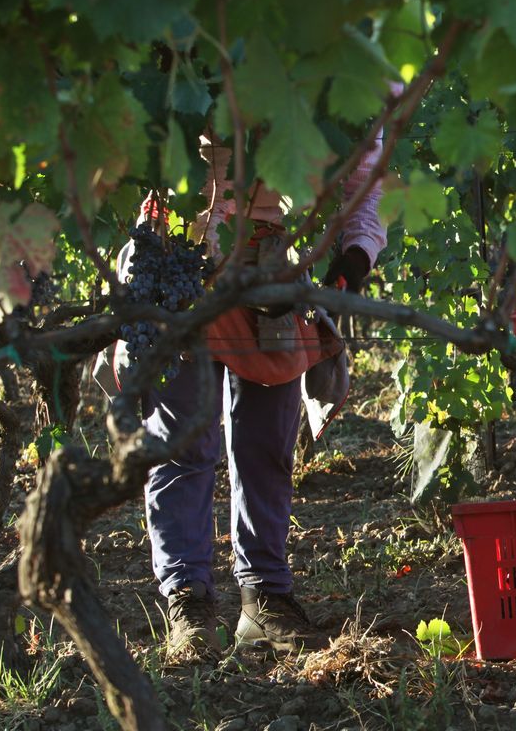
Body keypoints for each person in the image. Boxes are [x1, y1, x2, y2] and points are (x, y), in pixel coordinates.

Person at [104, 130, 388, 662]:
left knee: (266, 445)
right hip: (176, 257)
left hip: (271, 266)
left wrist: (351, 263)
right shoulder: (183, 53)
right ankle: (187, 603)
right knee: (180, 442)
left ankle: (265, 599)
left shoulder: (346, 72)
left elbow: (365, 179)